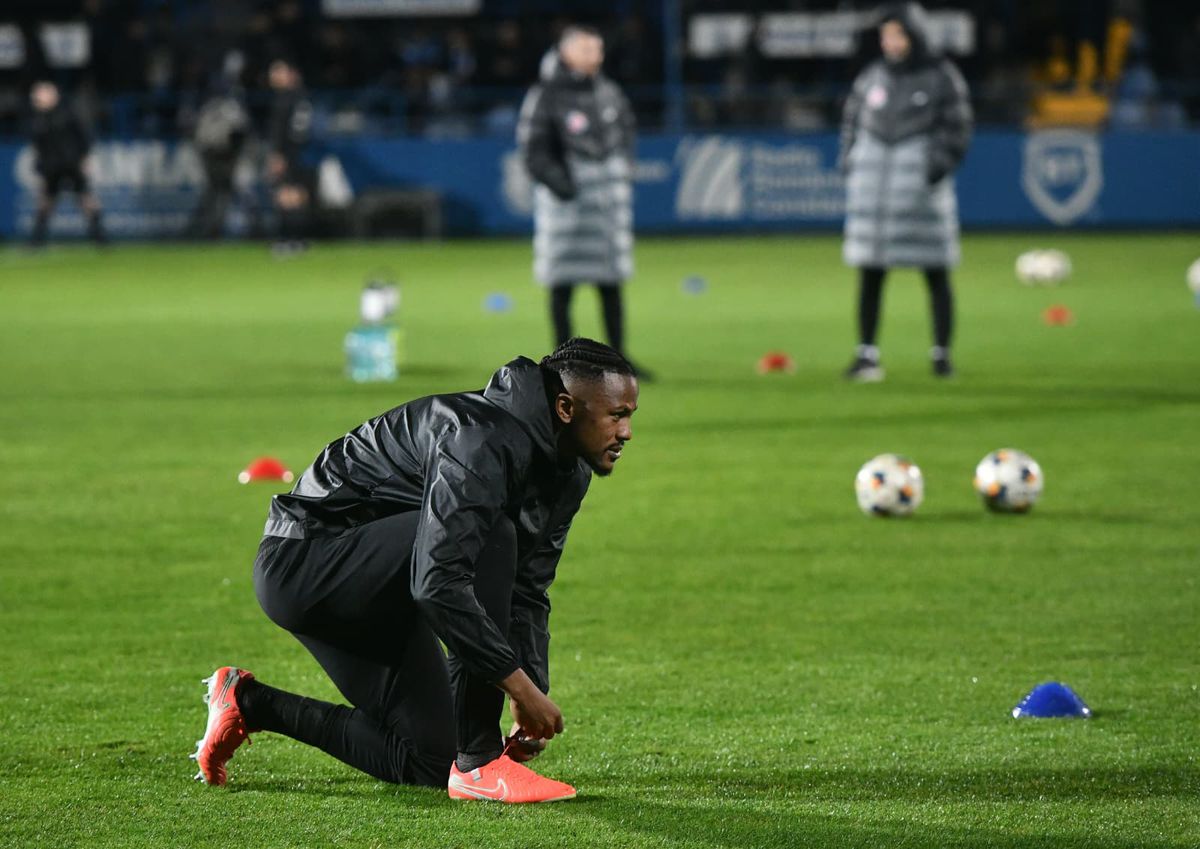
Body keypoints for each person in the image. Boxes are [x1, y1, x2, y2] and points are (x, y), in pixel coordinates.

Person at [191, 338, 639, 804]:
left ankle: (248, 702)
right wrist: (516, 685)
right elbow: (439, 580)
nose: (626, 432)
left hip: (386, 586)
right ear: (565, 408)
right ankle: (480, 763)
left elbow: (528, 588)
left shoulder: (569, 472)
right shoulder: (480, 436)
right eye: (617, 415)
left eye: (630, 416)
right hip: (306, 564)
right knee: (490, 536)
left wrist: (531, 691)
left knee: (432, 760)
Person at [839, 3, 973, 381]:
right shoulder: (872, 77)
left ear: (915, 34)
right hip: (874, 203)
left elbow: (958, 128)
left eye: (897, 34)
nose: (890, 42)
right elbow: (851, 122)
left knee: (935, 273)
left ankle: (941, 356)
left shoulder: (942, 77)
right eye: (885, 35)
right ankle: (866, 355)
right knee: (870, 275)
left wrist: (932, 169)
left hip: (921, 199)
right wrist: (850, 163)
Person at [517, 27, 649, 377]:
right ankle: (562, 363)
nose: (596, 56)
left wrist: (621, 172)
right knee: (563, 286)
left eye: (598, 49)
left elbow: (627, 134)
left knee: (611, 284)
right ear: (566, 53)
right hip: (567, 210)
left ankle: (619, 361)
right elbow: (533, 150)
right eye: (587, 49)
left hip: (606, 209)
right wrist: (564, 187)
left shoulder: (609, 92)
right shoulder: (546, 95)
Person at [28, 81, 106, 246]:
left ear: (54, 95)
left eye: (42, 93)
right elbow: (38, 148)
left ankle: (100, 238)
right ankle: (36, 241)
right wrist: (40, 169)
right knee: (45, 202)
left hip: (72, 163)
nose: (38, 97)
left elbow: (84, 137)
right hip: (51, 167)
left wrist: (85, 158)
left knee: (86, 199)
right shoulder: (37, 120)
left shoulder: (67, 113)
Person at [264, 58, 314, 254]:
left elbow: (280, 131)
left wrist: (278, 155)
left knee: (285, 196)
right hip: (303, 153)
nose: (273, 76)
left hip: (288, 153)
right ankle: (299, 241)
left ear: (290, 74)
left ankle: (287, 240)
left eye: (278, 72)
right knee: (298, 195)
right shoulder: (302, 96)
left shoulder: (284, 99)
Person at [189, 84, 248, 239]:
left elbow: (197, 133)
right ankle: (210, 228)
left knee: (217, 191)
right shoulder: (229, 107)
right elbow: (241, 130)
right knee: (220, 191)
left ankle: (209, 228)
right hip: (221, 154)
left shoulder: (208, 107)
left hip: (216, 154)